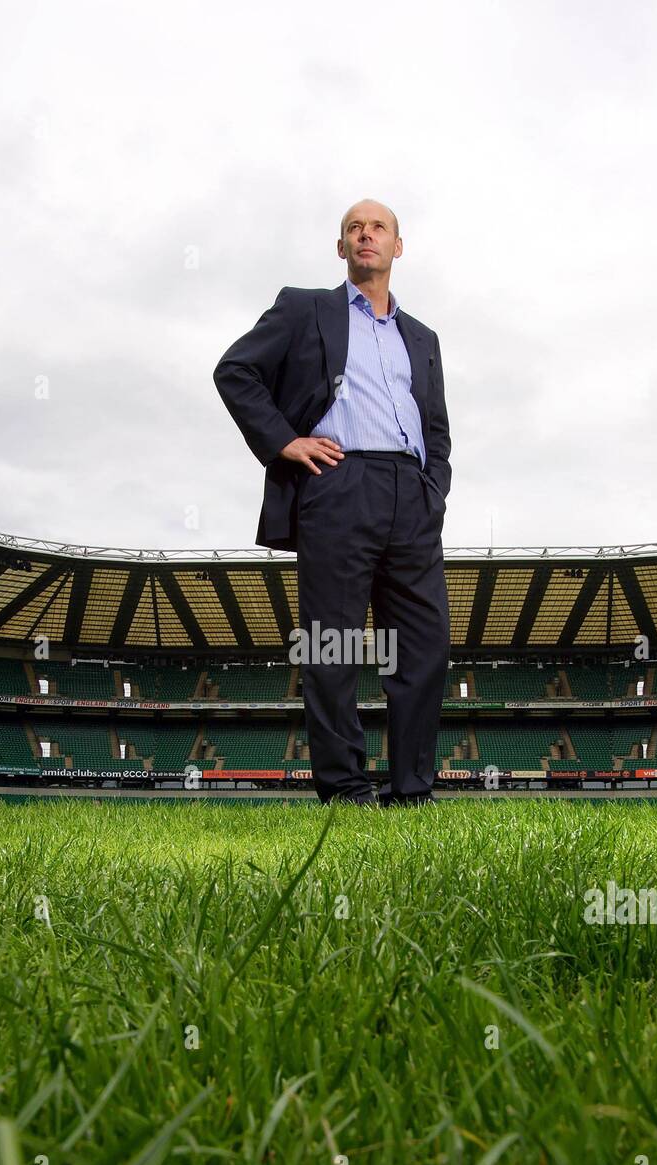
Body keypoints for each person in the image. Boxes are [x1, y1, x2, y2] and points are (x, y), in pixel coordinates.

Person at [213, 199, 451, 807]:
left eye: (378, 228)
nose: (365, 235)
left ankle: (411, 793)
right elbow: (235, 370)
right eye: (354, 228)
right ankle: (345, 790)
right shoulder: (304, 307)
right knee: (332, 643)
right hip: (338, 481)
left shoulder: (422, 338)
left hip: (412, 495)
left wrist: (434, 489)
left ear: (399, 246)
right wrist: (285, 442)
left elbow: (437, 427)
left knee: (423, 646)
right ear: (340, 247)